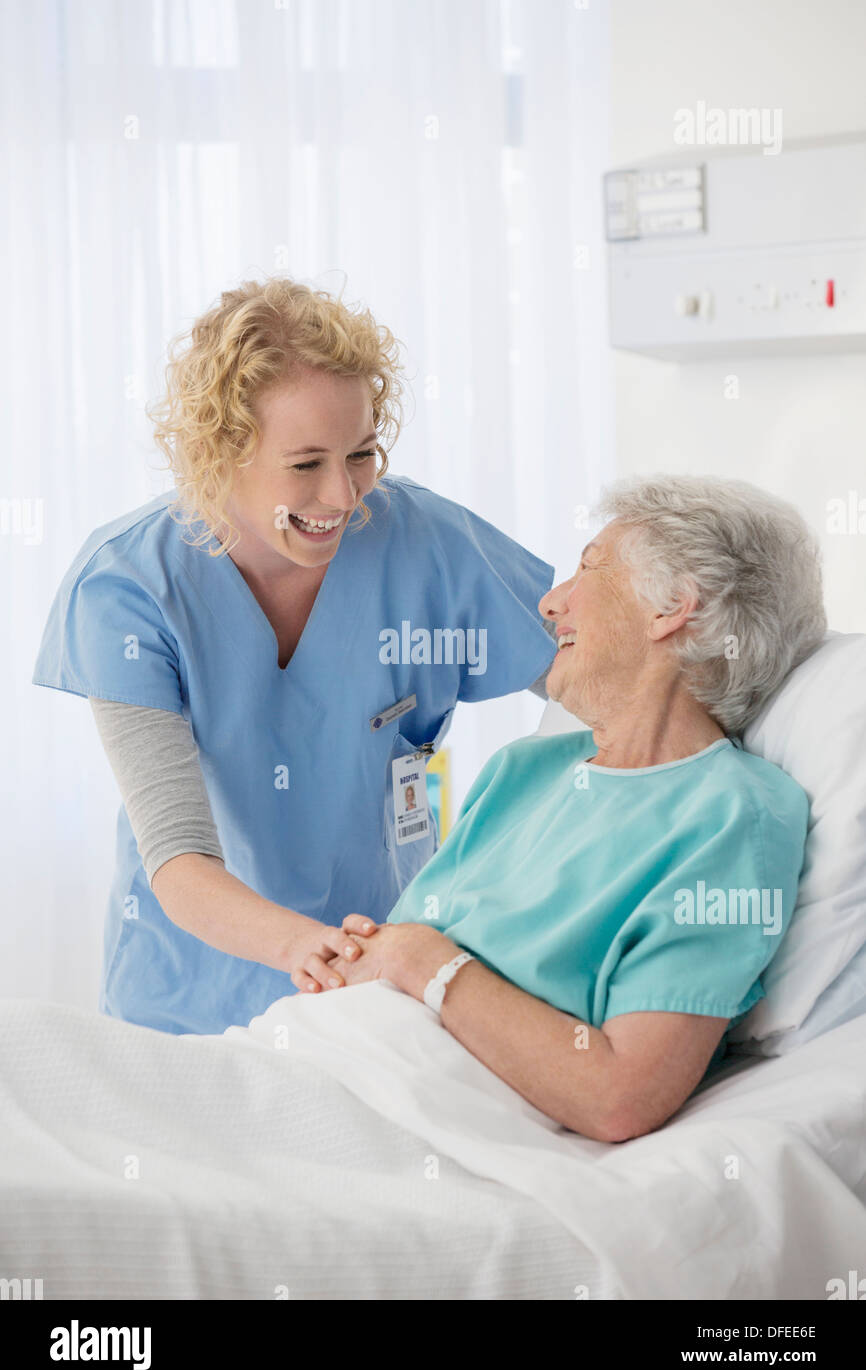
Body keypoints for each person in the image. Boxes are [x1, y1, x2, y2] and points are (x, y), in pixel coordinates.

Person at [33, 277, 556, 1036]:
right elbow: (178, 859)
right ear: (220, 453)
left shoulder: (427, 548)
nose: (343, 496)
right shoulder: (129, 588)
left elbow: (596, 677)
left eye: (362, 454)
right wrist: (309, 949)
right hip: (188, 1007)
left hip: (382, 988)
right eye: (305, 463)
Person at [325, 475, 826, 1141]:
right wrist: (361, 956)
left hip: (413, 1121)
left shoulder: (734, 817)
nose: (551, 602)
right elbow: (395, 958)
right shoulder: (522, 772)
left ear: (672, 606)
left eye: (588, 568)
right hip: (328, 1061)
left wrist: (422, 961)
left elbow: (619, 1094)